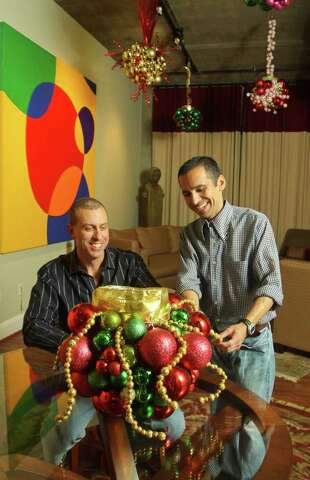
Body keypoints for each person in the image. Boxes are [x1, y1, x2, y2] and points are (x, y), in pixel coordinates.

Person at [23, 197, 185, 464]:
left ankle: (124, 457)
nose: (98, 236)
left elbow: (158, 308)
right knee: (64, 433)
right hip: (82, 378)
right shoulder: (53, 274)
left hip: (133, 373)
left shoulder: (130, 264)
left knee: (174, 427)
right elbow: (33, 326)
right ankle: (47, 470)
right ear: (72, 230)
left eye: (103, 227)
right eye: (89, 228)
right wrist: (83, 347)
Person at [176, 156, 283, 402]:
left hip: (251, 343)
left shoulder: (255, 224)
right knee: (221, 423)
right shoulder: (190, 234)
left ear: (220, 182)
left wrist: (245, 325)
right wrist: (196, 318)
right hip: (212, 345)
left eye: (200, 189)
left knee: (250, 426)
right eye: (186, 193)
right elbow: (188, 282)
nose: (194, 200)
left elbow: (271, 285)